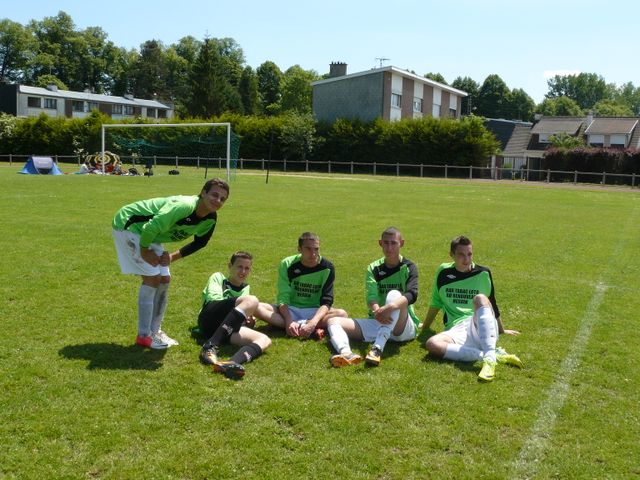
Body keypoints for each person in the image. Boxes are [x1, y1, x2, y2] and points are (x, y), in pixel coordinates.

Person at [112, 178, 229, 349]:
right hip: (129, 225)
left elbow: (200, 242)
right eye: (214, 195)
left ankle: (155, 331)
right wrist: (145, 250)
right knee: (153, 278)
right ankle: (144, 336)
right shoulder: (184, 206)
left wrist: (172, 257)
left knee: (164, 279)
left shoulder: (210, 218)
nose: (217, 200)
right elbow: (151, 226)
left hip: (149, 234)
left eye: (222, 199)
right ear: (203, 192)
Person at [421, 235, 523, 382]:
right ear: (451, 255)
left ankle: (489, 359)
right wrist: (425, 326)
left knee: (480, 298)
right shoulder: (443, 272)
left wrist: (501, 329)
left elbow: (491, 303)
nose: (466, 259)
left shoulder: (483, 273)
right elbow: (435, 303)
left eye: (469, 254)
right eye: (461, 255)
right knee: (432, 344)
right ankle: (492, 355)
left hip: (481, 324)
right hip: (456, 329)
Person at [327, 227, 419, 367]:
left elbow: (412, 294)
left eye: (393, 243)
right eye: (386, 243)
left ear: (401, 243)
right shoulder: (374, 268)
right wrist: (377, 311)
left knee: (394, 295)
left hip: (402, 328)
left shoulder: (409, 266)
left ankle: (377, 348)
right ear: (380, 243)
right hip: (379, 320)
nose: (389, 248)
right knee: (333, 321)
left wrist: (389, 307)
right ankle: (346, 353)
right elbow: (371, 296)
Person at [198, 251, 281, 379]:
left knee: (265, 340)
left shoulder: (245, 288)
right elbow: (214, 303)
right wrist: (244, 308)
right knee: (252, 300)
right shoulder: (218, 277)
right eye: (239, 267)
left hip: (223, 329)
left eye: (247, 268)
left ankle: (230, 363)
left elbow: (238, 315)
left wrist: (246, 320)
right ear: (230, 266)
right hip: (209, 319)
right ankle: (210, 346)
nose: (243, 271)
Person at [263, 232, 346, 339]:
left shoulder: (327, 267)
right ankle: (298, 326)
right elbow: (283, 298)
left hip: (314, 311)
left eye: (316, 249)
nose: (313, 253)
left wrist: (313, 322)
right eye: (308, 249)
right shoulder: (287, 264)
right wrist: (288, 321)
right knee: (258, 307)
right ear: (299, 249)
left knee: (342, 314)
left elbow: (327, 301)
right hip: (291, 309)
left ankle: (291, 325)